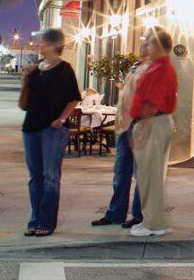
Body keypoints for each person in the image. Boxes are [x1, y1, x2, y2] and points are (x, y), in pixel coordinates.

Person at [18, 28, 81, 237]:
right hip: (31, 127)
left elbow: (73, 98)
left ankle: (46, 222)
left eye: (42, 41)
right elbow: (23, 104)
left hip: (52, 130)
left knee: (50, 177)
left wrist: (61, 119)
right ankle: (34, 220)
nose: (39, 44)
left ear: (54, 44)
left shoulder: (65, 69)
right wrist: (26, 78)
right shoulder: (35, 69)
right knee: (35, 177)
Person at [130, 27, 179, 237]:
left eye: (149, 42)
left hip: (153, 122)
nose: (145, 46)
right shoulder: (158, 67)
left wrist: (143, 128)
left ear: (158, 45)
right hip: (154, 122)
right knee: (150, 175)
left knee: (150, 176)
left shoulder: (161, 69)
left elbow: (152, 101)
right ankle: (154, 220)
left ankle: (154, 224)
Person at [92, 58, 144, 228]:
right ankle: (116, 213)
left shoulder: (153, 69)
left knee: (140, 174)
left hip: (138, 127)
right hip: (124, 127)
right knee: (120, 173)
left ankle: (138, 215)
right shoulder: (135, 67)